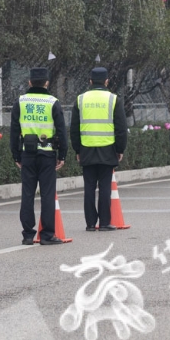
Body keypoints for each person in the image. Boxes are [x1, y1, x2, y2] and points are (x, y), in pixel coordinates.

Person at [10, 67, 67, 245]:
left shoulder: (20, 102)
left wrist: (16, 155)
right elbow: (62, 131)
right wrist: (62, 155)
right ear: (47, 83)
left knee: (27, 194)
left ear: (29, 82)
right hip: (47, 153)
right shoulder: (53, 102)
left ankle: (28, 234)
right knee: (48, 194)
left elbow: (14, 132)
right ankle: (47, 235)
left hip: (27, 153)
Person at [71, 67, 127, 232]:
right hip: (107, 148)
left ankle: (89, 223)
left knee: (89, 187)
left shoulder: (80, 99)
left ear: (90, 81)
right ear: (107, 81)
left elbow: (74, 128)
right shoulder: (113, 99)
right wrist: (120, 148)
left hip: (86, 148)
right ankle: (104, 222)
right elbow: (121, 128)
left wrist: (77, 150)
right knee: (104, 187)